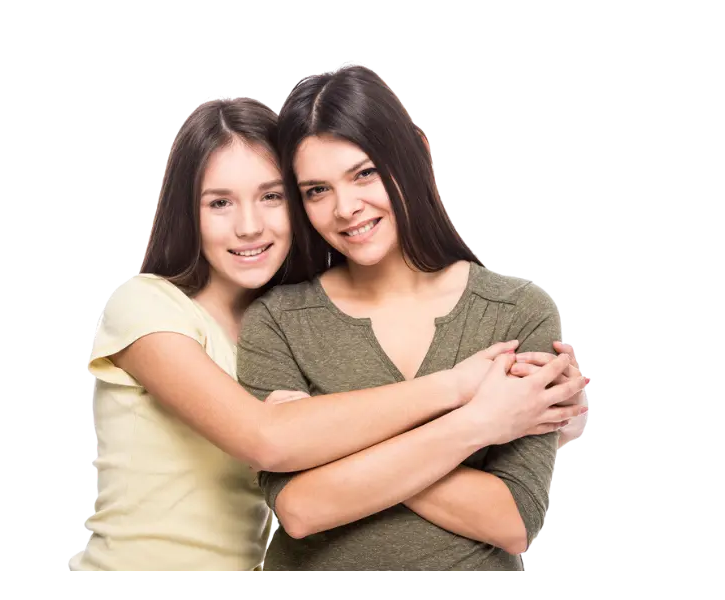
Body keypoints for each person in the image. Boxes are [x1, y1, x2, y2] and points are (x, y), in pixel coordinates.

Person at [69, 96, 567, 574]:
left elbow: (514, 520)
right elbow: (271, 444)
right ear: (186, 212)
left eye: (272, 196)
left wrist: (327, 437)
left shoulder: (277, 316)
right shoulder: (149, 307)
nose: (248, 225)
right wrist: (468, 401)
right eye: (219, 202)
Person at [236, 64, 589, 574]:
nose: (345, 208)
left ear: (409, 158)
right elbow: (299, 509)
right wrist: (478, 421)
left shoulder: (517, 313)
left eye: (364, 173)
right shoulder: (277, 320)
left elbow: (513, 519)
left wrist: (327, 442)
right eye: (317, 190)